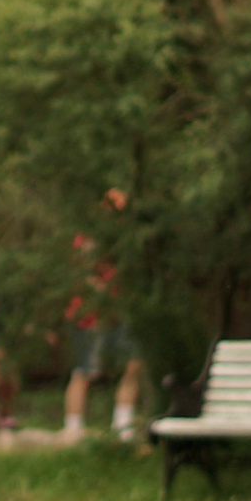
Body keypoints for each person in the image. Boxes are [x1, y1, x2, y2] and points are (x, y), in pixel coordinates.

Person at [63, 190, 146, 444]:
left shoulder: (126, 239)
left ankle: (123, 425)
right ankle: (73, 428)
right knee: (84, 371)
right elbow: (82, 275)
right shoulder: (88, 238)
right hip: (89, 315)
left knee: (134, 364)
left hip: (120, 312)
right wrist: (105, 297)